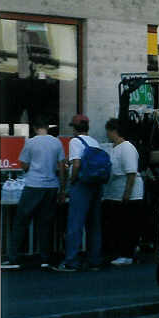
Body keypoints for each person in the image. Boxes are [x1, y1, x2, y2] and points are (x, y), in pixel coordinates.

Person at [1, 117, 66, 270]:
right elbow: (62, 166)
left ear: (35, 128)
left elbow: (23, 164)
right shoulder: (57, 142)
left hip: (33, 185)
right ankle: (45, 258)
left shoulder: (30, 142)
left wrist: (31, 167)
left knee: (21, 221)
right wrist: (62, 189)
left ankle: (13, 258)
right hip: (51, 186)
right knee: (45, 222)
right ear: (47, 127)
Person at [53, 114, 104, 272]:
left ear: (75, 128)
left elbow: (76, 164)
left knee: (75, 224)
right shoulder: (94, 141)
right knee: (94, 224)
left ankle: (71, 262)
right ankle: (94, 260)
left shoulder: (75, 141)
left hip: (82, 185)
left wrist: (72, 181)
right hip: (96, 185)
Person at [102, 118, 144, 266]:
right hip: (116, 192)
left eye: (108, 131)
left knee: (127, 224)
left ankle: (127, 254)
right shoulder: (114, 147)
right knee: (120, 224)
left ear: (114, 131)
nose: (106, 134)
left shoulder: (127, 147)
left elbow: (131, 172)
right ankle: (124, 252)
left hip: (129, 194)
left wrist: (127, 193)